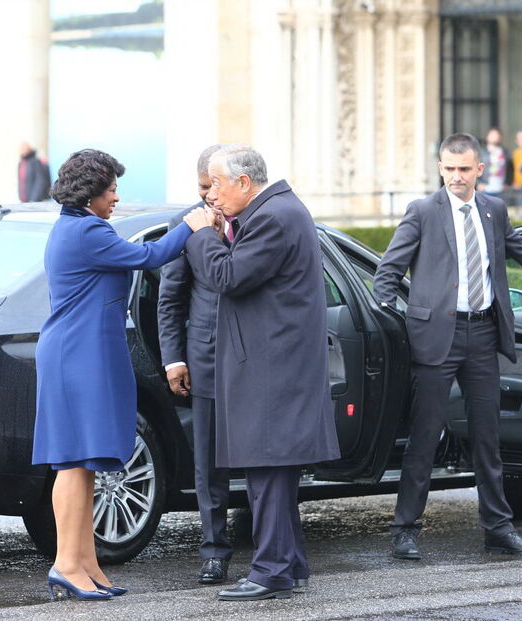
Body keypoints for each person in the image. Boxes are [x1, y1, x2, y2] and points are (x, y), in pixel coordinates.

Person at [372, 133, 522, 562]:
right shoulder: (422, 212)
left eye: (464, 169)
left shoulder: (493, 210)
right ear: (440, 168)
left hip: (483, 334)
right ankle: (405, 529)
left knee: (488, 438)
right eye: (449, 169)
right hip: (435, 340)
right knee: (424, 435)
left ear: (479, 170)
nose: (456, 177)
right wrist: (400, 323)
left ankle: (498, 529)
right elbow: (386, 275)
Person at [32, 148, 204, 601]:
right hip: (78, 354)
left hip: (88, 350)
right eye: (111, 190)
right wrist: (191, 224)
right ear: (90, 194)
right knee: (72, 461)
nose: (116, 198)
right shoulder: (86, 231)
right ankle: (66, 564)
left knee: (87, 462)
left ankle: (86, 562)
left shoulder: (80, 226)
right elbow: (151, 256)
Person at [183, 145, 340, 601]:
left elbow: (228, 277)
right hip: (278, 364)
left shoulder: (273, 216)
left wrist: (201, 234)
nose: (211, 195)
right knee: (272, 472)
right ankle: (289, 565)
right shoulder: (280, 210)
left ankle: (271, 570)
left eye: (216, 185)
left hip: (274, 368)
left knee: (268, 470)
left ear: (244, 183)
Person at [157, 144, 234, 585]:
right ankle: (214, 550)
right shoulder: (185, 223)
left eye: (213, 186)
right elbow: (170, 300)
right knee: (209, 462)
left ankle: (274, 546)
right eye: (202, 187)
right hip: (205, 356)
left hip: (254, 360)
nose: (207, 196)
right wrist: (174, 360)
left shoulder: (254, 217)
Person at [478, 127, 510, 198]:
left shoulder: (505, 152)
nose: (495, 137)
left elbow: (510, 169)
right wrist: (478, 184)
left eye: (497, 135)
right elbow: (475, 168)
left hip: (501, 189)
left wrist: (507, 183)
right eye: (492, 135)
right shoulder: (482, 152)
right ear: (487, 137)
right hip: (486, 188)